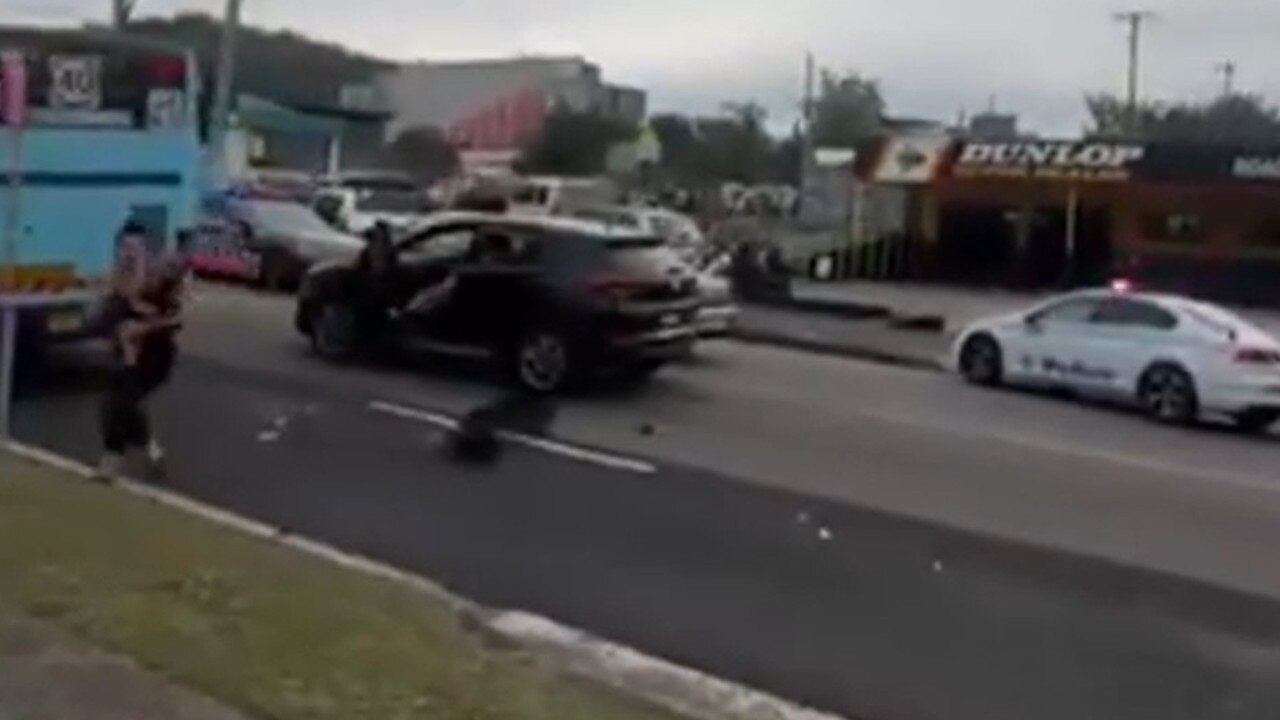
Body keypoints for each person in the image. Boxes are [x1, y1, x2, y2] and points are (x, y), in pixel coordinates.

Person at [97, 250, 186, 481]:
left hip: (154, 361)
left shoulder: (162, 294)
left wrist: (146, 327)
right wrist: (123, 340)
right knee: (116, 406)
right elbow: (111, 326)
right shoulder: (118, 301)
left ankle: (115, 460)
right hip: (129, 357)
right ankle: (146, 451)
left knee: (122, 403)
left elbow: (177, 319)